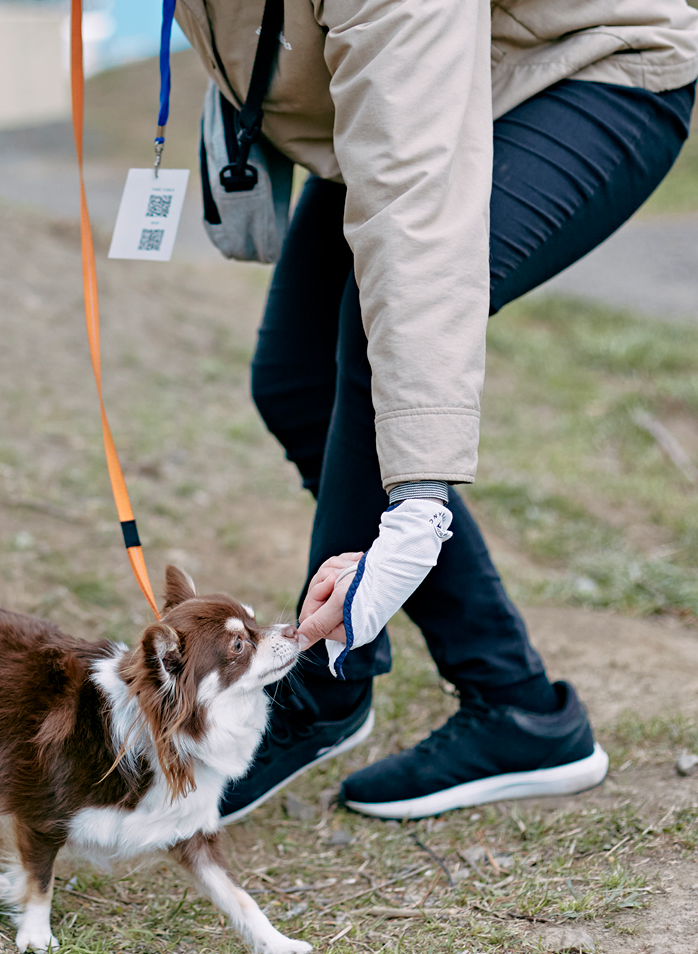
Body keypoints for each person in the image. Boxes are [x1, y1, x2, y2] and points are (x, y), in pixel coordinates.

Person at [171, 0, 698, 822]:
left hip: (589, 66)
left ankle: (327, 684)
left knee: (380, 336)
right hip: (436, 79)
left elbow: (416, 212)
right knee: (297, 384)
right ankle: (518, 711)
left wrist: (415, 508)